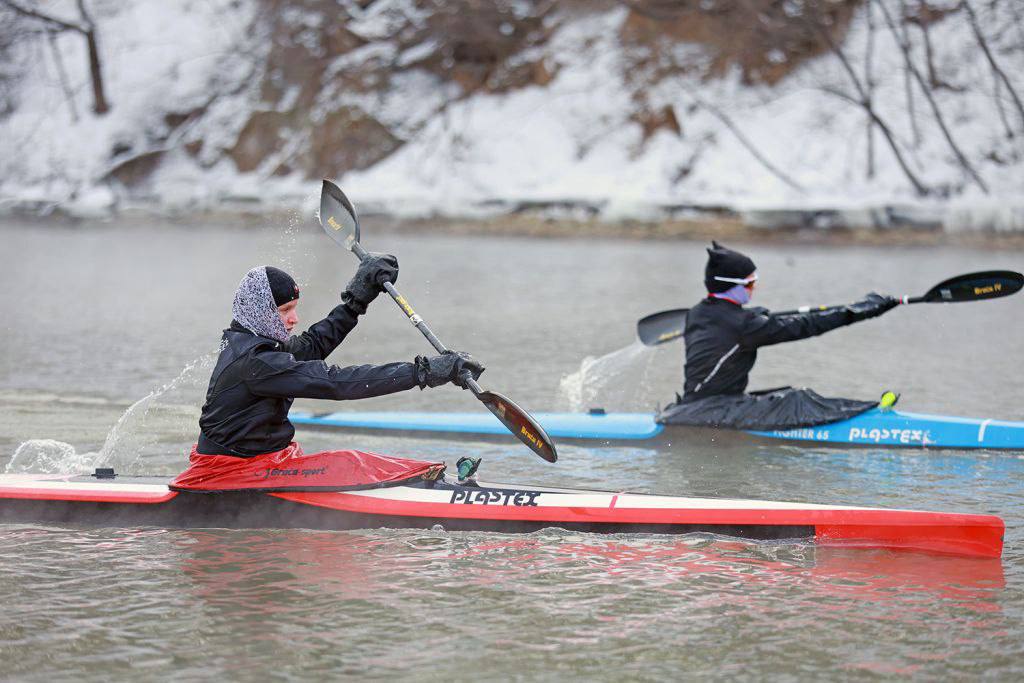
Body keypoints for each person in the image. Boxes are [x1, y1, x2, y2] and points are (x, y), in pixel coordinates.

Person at [196, 255, 484, 457]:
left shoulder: (256, 343)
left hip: (259, 459)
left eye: (294, 308)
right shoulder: (256, 362)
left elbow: (312, 346)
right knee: (351, 462)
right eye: (285, 310)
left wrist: (357, 300)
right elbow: (335, 383)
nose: (294, 319)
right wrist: (423, 372)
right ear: (260, 311)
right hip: (230, 471)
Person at [657, 241, 898, 430]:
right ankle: (870, 420)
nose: (754, 288)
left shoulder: (697, 313)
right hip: (716, 411)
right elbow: (807, 325)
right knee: (798, 399)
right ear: (731, 285)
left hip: (697, 407)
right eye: (750, 284)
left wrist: (754, 315)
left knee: (784, 393)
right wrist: (860, 311)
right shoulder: (746, 325)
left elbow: (731, 322)